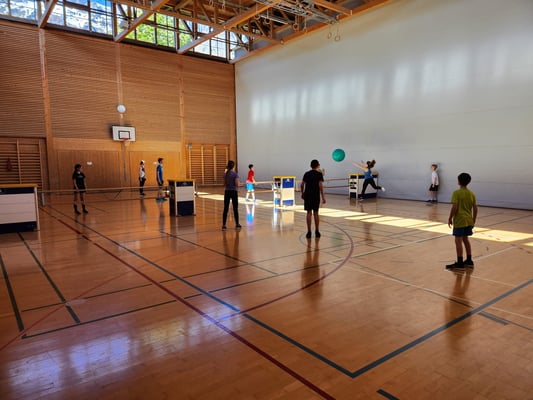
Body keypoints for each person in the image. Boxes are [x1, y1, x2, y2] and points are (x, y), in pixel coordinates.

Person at [446, 172, 478, 269]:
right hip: (468, 220)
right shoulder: (471, 193)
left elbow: (454, 207)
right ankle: (469, 260)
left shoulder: (456, 193)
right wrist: (473, 220)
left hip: (460, 220)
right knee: (466, 239)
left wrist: (450, 218)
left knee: (458, 241)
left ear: (459, 181)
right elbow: (475, 208)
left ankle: (460, 263)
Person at [301, 159, 326, 239]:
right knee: (316, 213)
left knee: (309, 213)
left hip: (307, 195)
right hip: (315, 195)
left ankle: (309, 232)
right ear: (318, 165)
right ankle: (317, 231)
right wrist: (323, 197)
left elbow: (302, 184)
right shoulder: (319, 174)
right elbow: (320, 186)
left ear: (310, 166)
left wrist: (302, 193)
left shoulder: (306, 174)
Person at [222, 160, 241, 231]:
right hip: (233, 192)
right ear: (233, 166)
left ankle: (224, 225)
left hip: (227, 192)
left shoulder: (225, 174)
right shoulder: (235, 174)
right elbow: (237, 184)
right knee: (235, 208)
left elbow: (224, 184)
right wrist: (239, 184)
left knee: (225, 208)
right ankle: (237, 224)